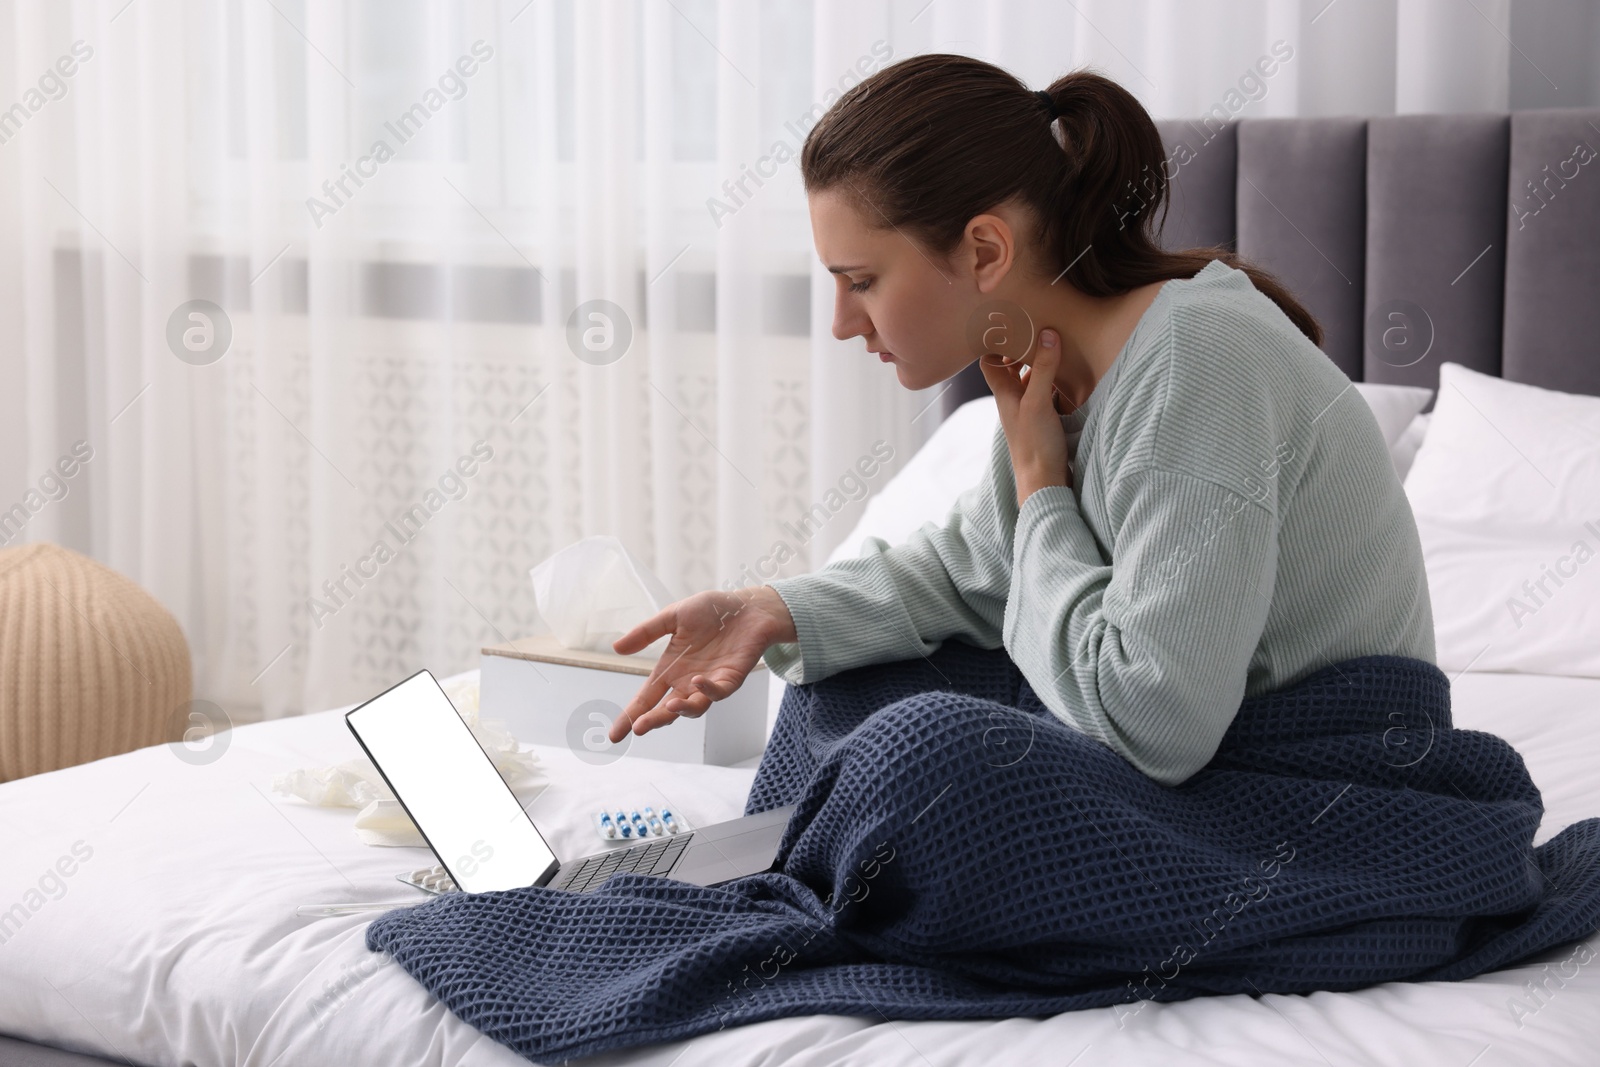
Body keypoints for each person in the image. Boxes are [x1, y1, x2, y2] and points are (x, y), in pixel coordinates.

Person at [605, 54, 1434, 787]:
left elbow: (1156, 723)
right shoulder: (1059, 374)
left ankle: (830, 883)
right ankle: (810, 873)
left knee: (922, 751)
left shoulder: (1194, 359)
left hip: (1326, 781)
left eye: (860, 280)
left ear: (985, 252)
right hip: (1217, 756)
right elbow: (970, 571)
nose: (841, 323)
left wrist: (1041, 483)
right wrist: (770, 609)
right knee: (852, 686)